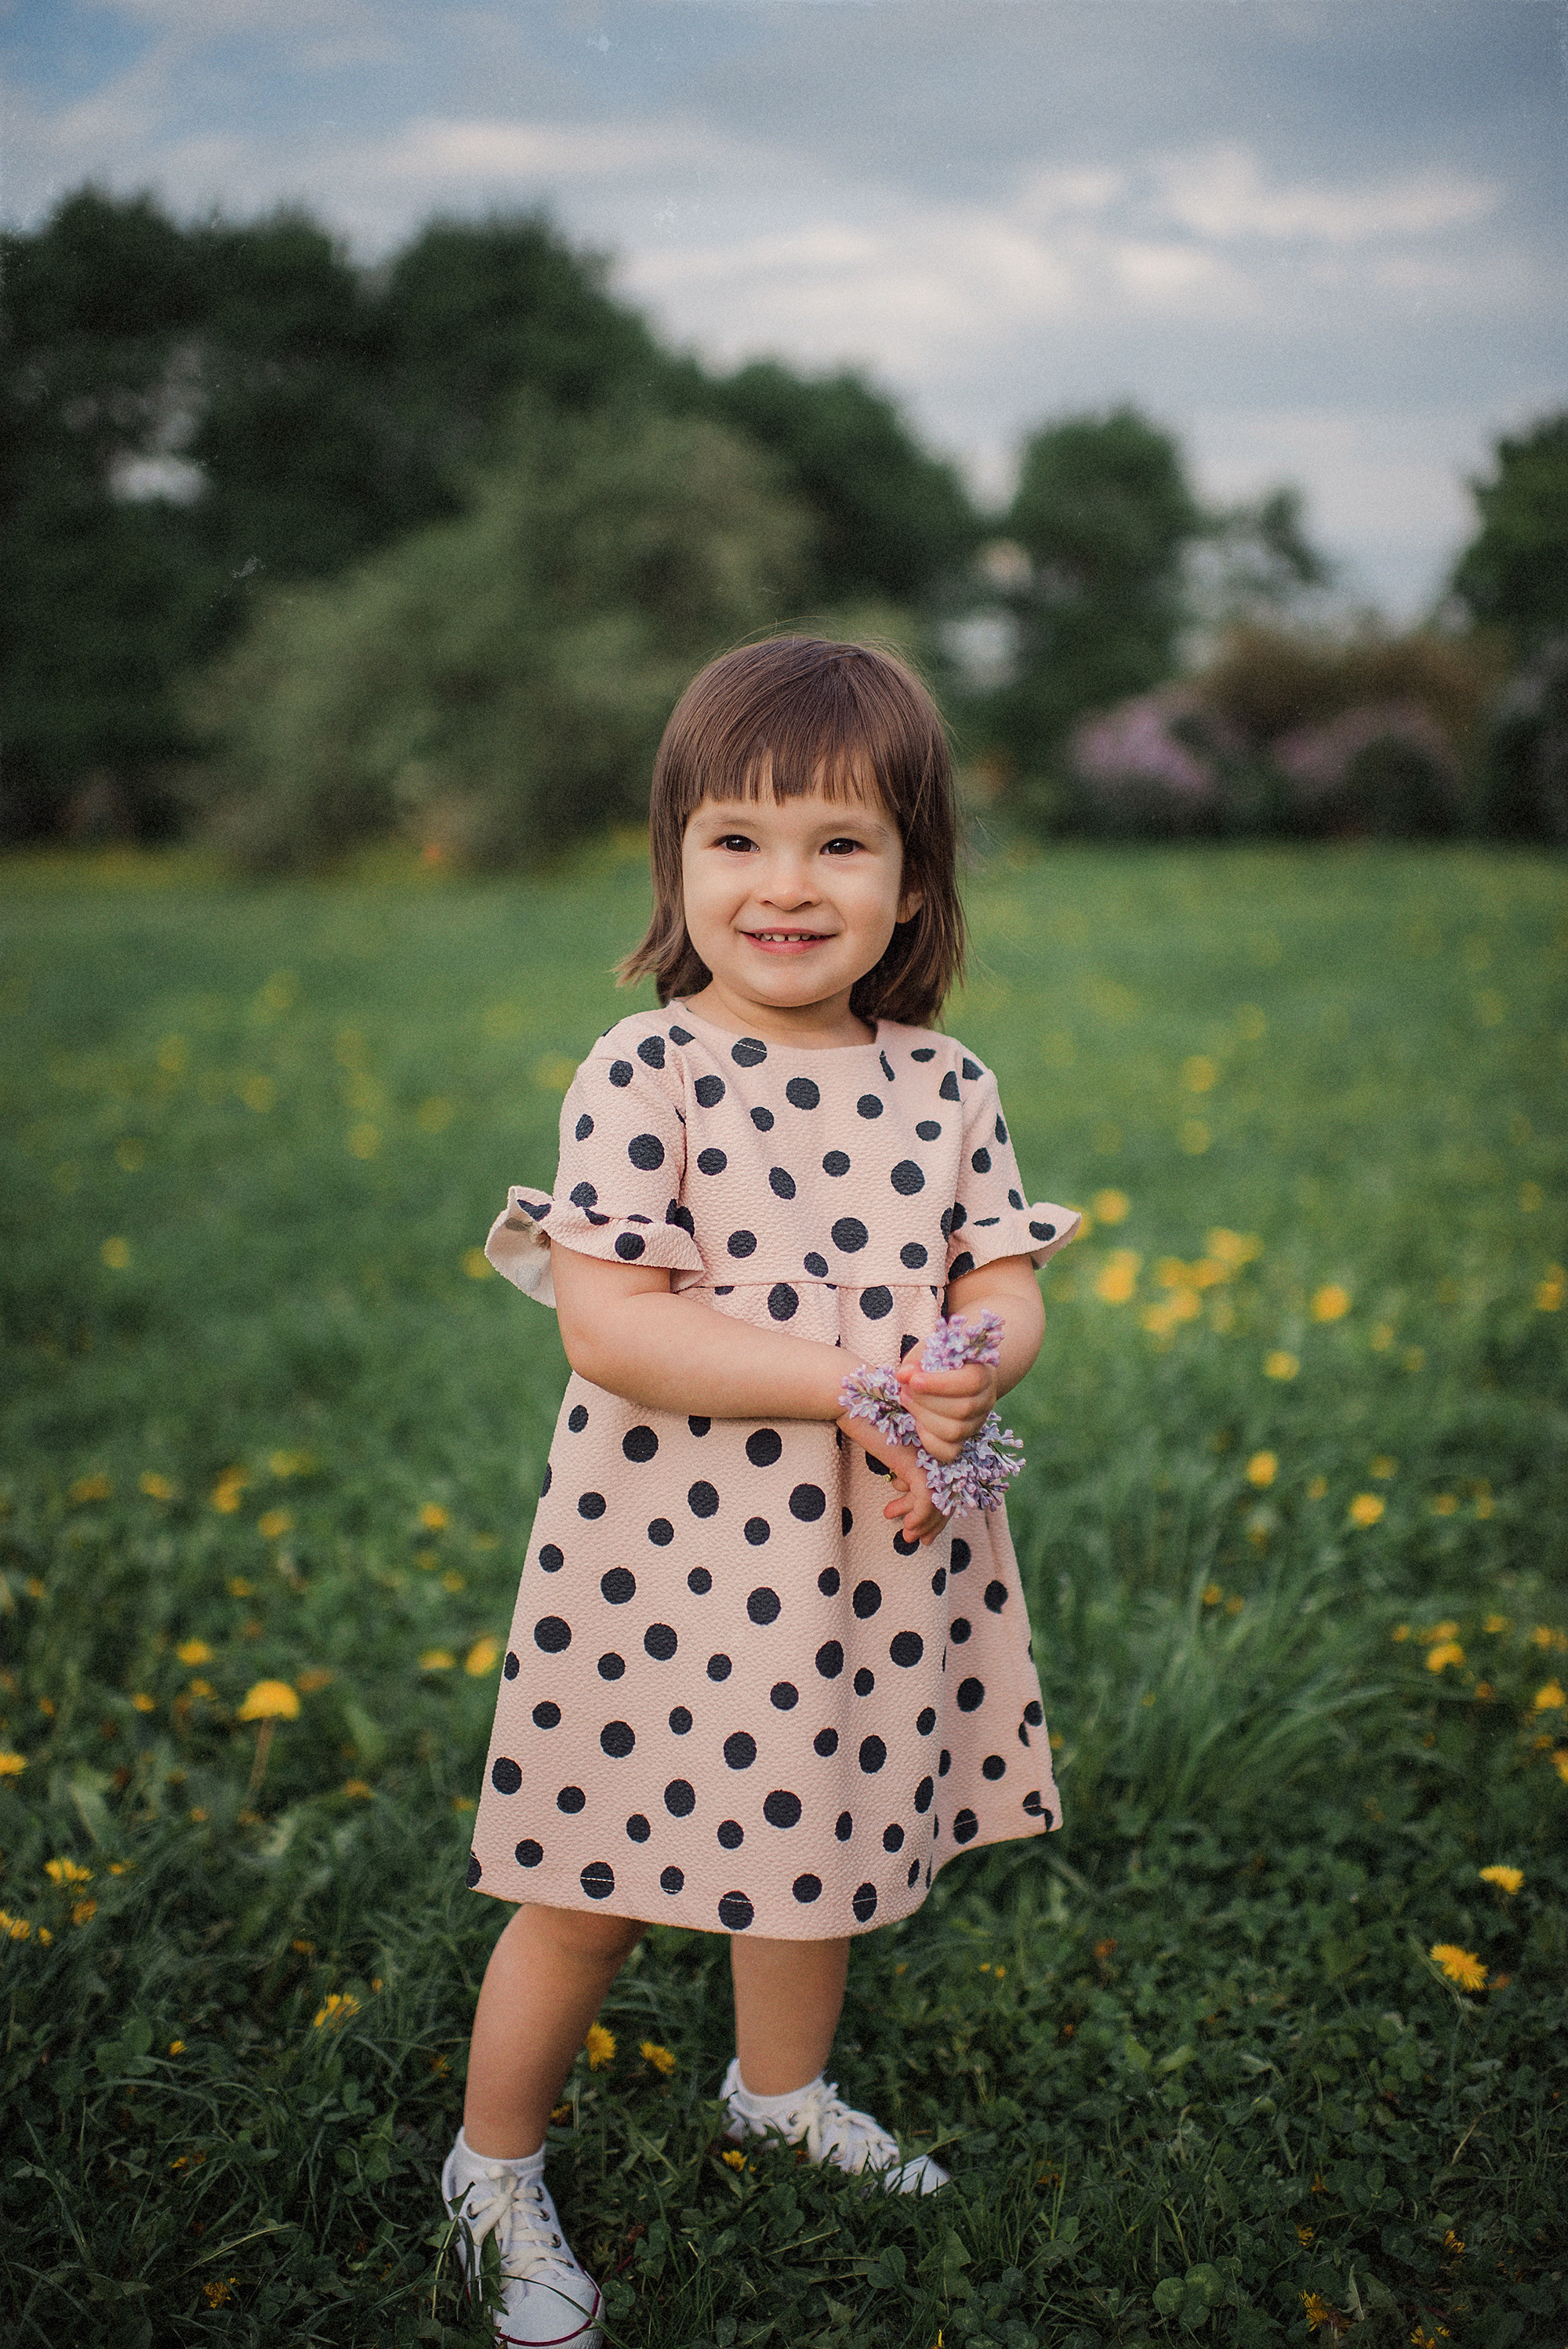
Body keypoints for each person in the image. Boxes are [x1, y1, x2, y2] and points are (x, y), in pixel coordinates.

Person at [444, 637, 1080, 2346]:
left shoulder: (946, 1088)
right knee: (586, 1881)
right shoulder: (643, 1072)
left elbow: (1008, 1281)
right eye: (737, 838)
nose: (784, 884)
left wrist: (971, 1355)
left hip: (866, 1560)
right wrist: (856, 1383)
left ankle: (778, 2091)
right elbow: (614, 1328)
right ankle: (492, 2163)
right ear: (675, 861)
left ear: (913, 877)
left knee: (829, 1828)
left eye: (840, 842)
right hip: (667, 1561)